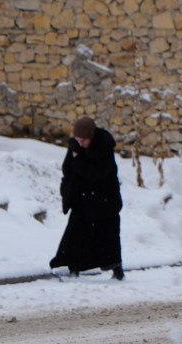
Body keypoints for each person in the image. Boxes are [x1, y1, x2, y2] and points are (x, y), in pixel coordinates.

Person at [49, 116, 125, 280]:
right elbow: (67, 169)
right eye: (78, 139)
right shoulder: (75, 146)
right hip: (83, 199)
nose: (80, 143)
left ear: (91, 136)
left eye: (83, 140)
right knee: (76, 234)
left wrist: (78, 159)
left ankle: (117, 269)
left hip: (105, 201)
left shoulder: (103, 147)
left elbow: (96, 174)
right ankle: (72, 267)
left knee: (108, 238)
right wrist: (66, 189)